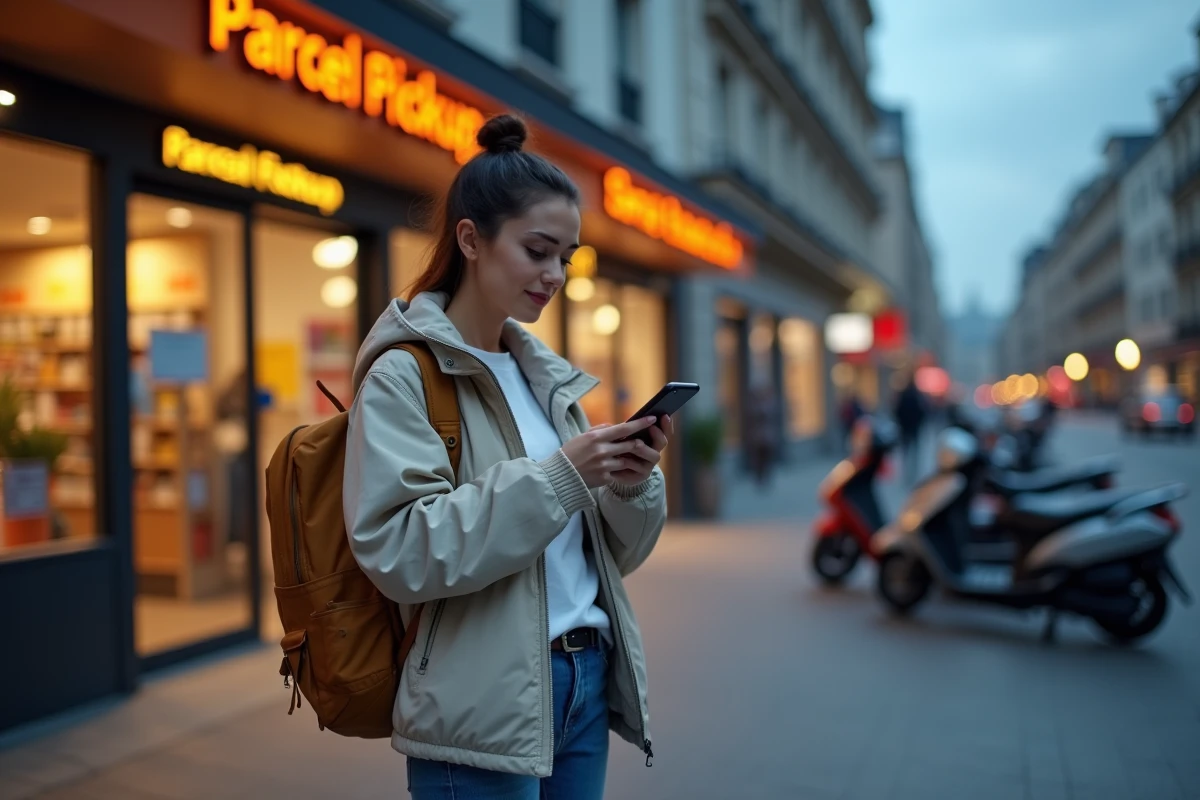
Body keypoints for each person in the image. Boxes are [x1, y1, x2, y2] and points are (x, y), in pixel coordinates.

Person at [342, 114, 670, 800]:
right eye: (539, 250)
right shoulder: (404, 374)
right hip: (481, 702)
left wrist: (629, 487)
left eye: (567, 258)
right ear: (470, 239)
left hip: (584, 677)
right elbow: (402, 551)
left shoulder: (545, 377)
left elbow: (614, 559)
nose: (555, 275)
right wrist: (562, 476)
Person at [893, 374, 926, 484]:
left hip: (905, 427)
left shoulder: (903, 395)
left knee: (905, 450)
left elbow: (897, 411)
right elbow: (923, 411)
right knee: (914, 451)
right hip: (913, 428)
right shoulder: (917, 396)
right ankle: (912, 471)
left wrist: (901, 422)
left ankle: (906, 472)